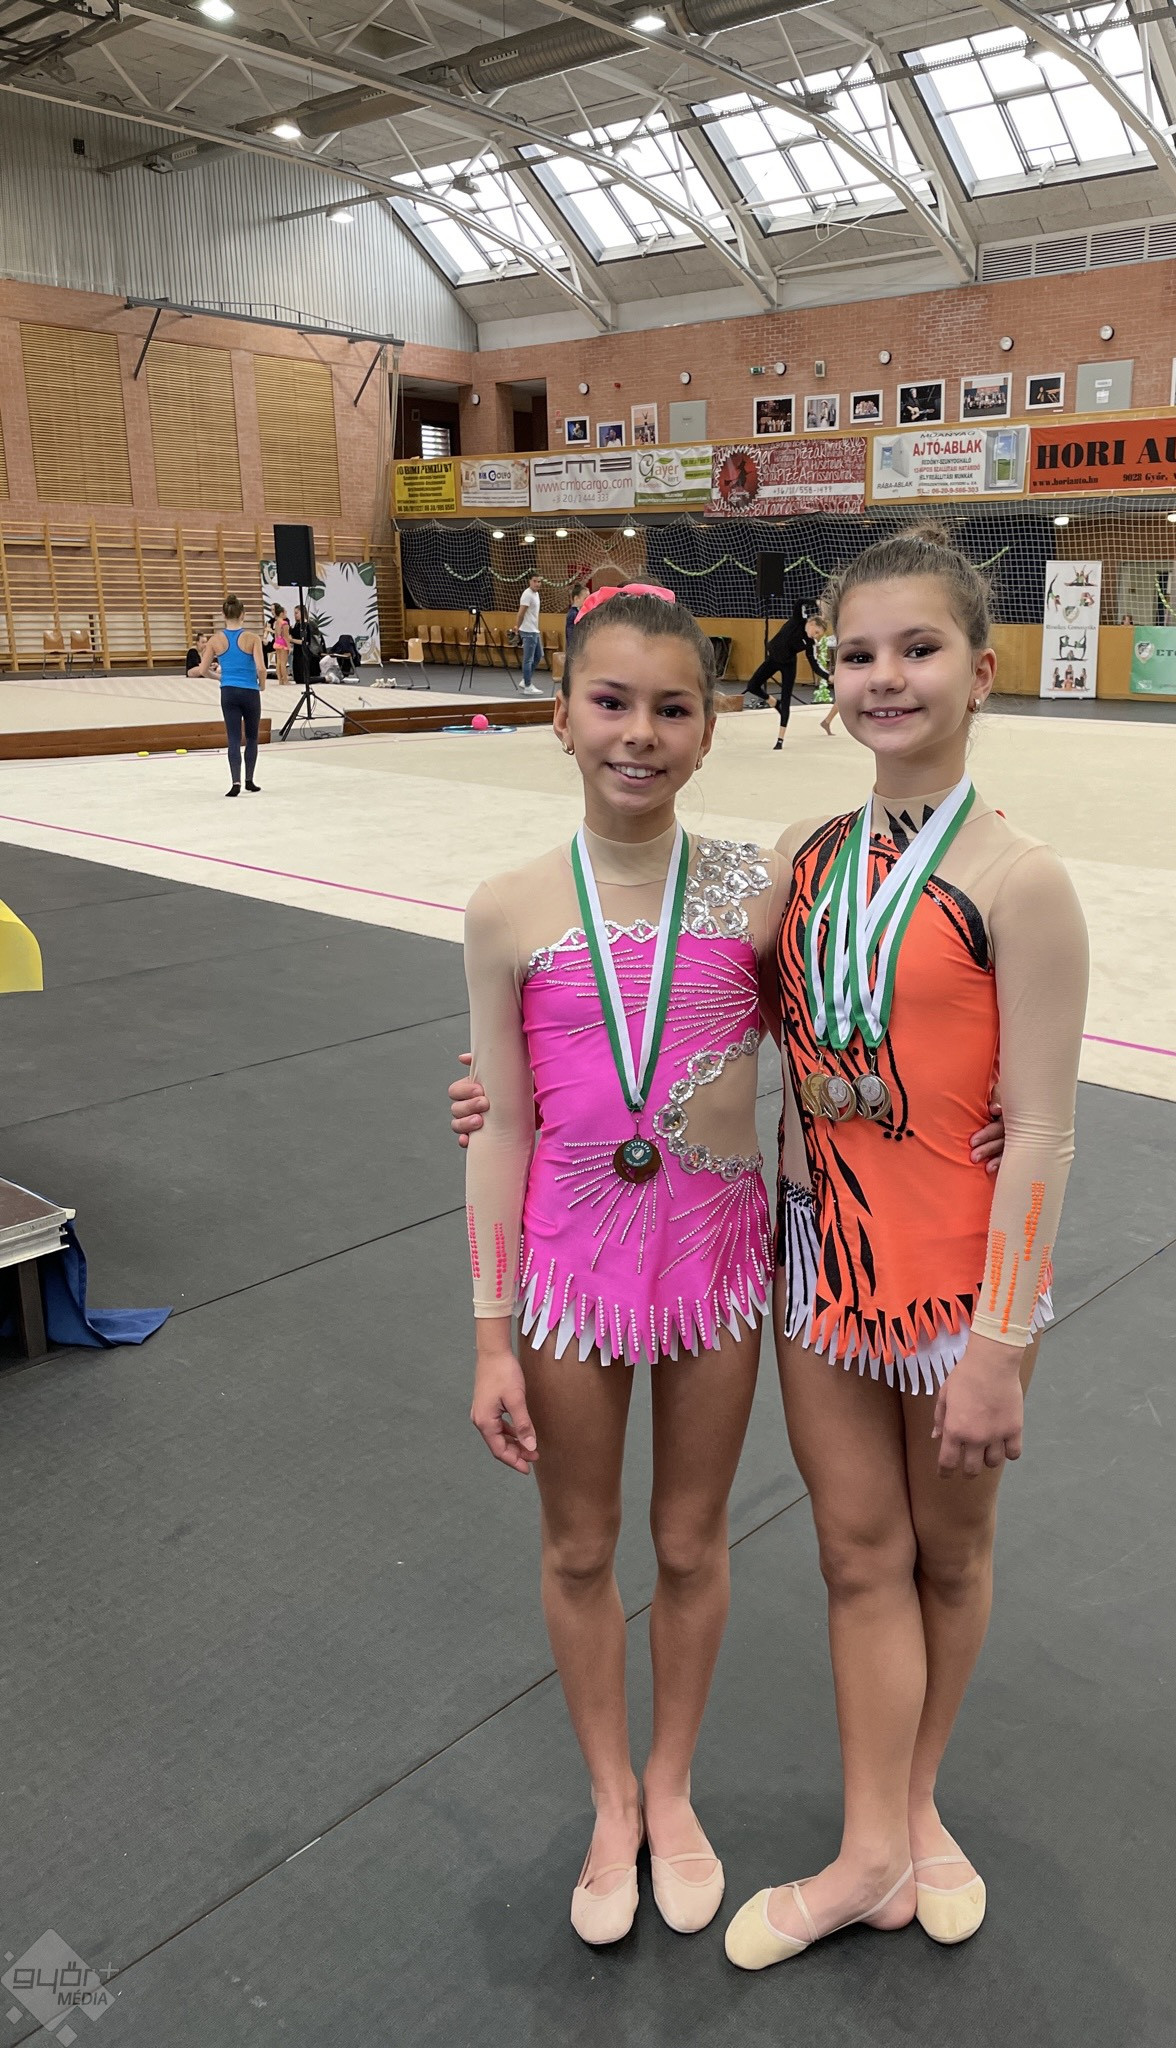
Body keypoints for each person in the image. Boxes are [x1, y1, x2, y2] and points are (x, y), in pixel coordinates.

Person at [725, 524, 1089, 1968]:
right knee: (855, 1554)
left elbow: (1042, 1131)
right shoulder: (798, 858)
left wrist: (999, 1344)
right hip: (821, 1263)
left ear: (981, 672)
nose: (885, 677)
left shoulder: (1020, 880)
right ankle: (874, 1841)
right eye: (860, 652)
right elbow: (685, 1001)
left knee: (947, 1556)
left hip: (959, 1288)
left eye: (918, 649)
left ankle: (914, 1801)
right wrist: (519, 1067)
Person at [462, 582, 791, 1949]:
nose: (638, 733)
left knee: (692, 1540)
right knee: (582, 1542)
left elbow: (863, 1025)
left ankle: (672, 1782)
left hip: (716, 1261)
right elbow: (502, 1128)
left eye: (672, 708)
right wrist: (491, 1332)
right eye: (610, 702)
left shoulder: (758, 891)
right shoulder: (508, 908)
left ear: (709, 730)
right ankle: (610, 1795)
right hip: (567, 1270)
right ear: (561, 716)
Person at [190, 594, 265, 797]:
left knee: (233, 738)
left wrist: (220, 678)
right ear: (243, 615)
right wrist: (262, 685)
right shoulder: (252, 638)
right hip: (250, 691)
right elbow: (261, 668)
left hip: (228, 691)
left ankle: (235, 782)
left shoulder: (215, 640)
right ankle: (249, 780)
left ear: (223, 615)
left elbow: (203, 670)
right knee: (252, 736)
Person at [743, 600, 818, 751]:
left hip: (789, 665)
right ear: (811, 624)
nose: (816, 636)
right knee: (752, 686)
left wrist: (828, 677)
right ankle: (773, 702)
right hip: (773, 659)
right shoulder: (798, 621)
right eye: (816, 632)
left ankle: (780, 739)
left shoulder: (810, 642)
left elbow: (814, 665)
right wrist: (816, 602)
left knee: (786, 700)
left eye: (819, 635)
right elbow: (799, 603)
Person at [515, 574, 543, 692]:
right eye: (535, 581)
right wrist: (517, 627)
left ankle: (525, 679)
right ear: (529, 582)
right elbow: (521, 613)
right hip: (527, 631)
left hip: (534, 630)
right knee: (528, 659)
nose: (537, 584)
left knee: (538, 655)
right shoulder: (527, 594)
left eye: (539, 582)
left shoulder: (536, 594)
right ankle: (527, 685)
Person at [269, 605, 291, 685]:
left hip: (277, 642)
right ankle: (285, 680)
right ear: (281, 613)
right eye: (285, 612)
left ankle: (280, 680)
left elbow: (276, 634)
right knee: (283, 663)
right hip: (283, 644)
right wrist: (289, 646)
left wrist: (276, 642)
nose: (286, 614)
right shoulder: (284, 623)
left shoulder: (276, 622)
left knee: (278, 662)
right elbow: (286, 636)